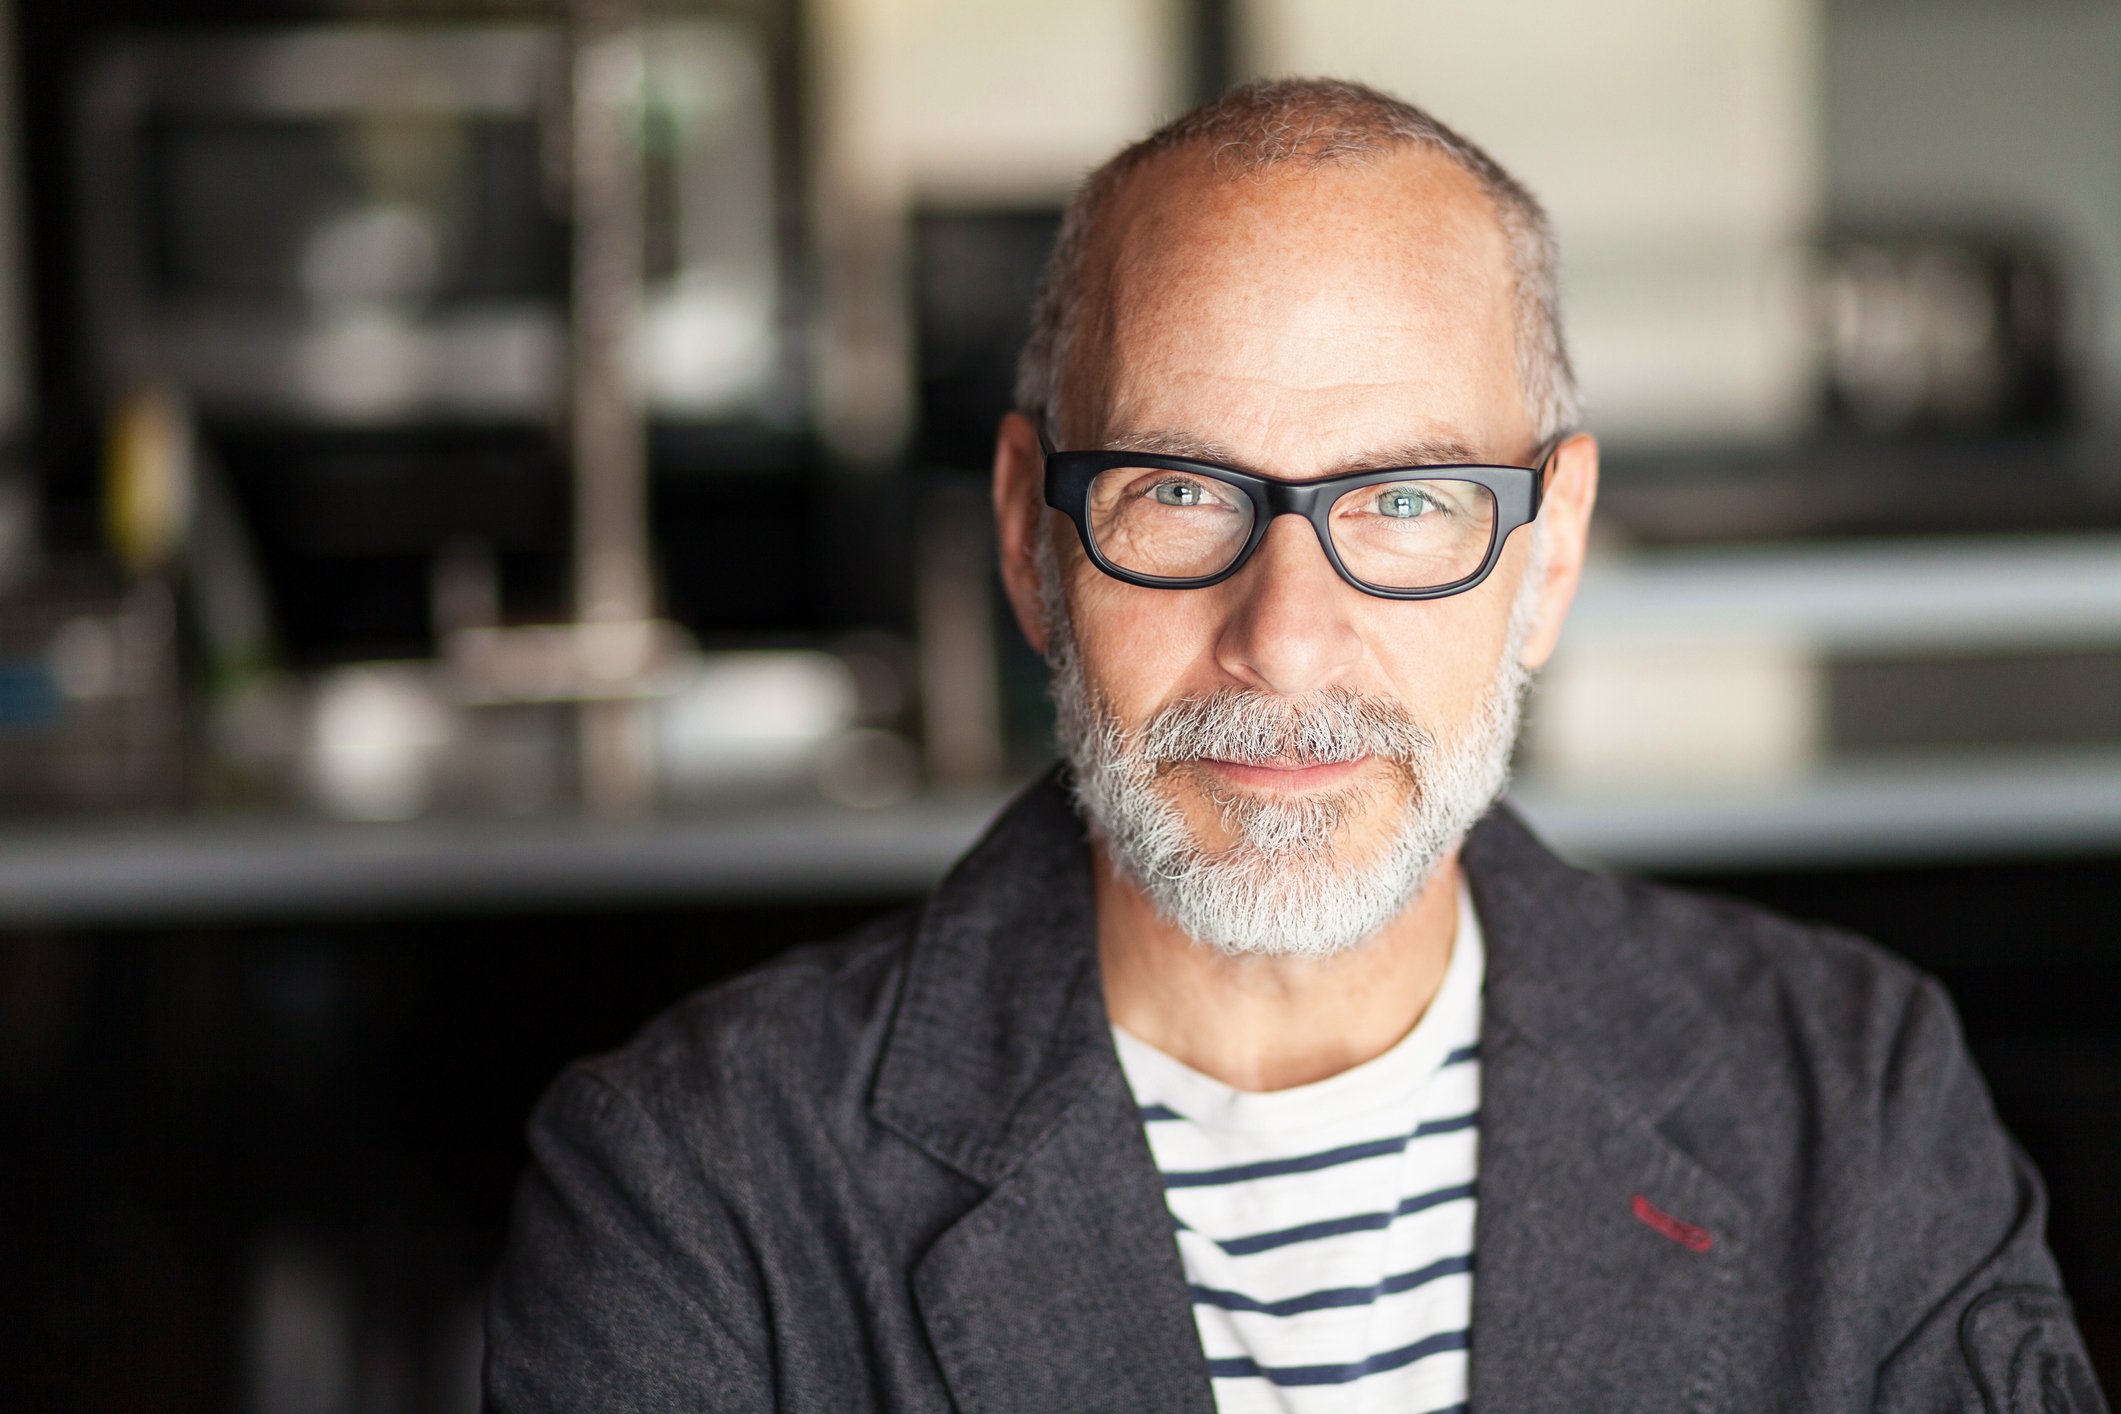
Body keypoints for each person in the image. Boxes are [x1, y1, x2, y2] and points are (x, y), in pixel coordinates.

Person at [484, 78, 2105, 1413]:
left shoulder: (1854, 1098)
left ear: (1546, 554)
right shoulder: (694, 1190)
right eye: (1181, 492)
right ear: (1026, 537)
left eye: (1404, 502)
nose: (1286, 634)